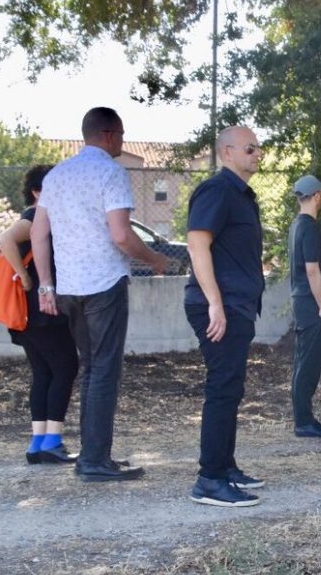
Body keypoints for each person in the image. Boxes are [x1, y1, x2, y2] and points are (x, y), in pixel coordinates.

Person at [31, 107, 169, 482]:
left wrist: (46, 284)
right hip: (105, 284)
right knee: (104, 371)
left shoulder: (57, 176)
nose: (123, 142)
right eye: (121, 135)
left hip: (68, 287)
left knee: (92, 369)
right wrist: (155, 259)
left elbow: (38, 233)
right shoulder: (111, 172)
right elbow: (121, 235)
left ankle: (93, 455)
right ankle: (94, 461)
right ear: (108, 134)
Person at [183, 126, 267, 507]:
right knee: (222, 387)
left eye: (259, 148)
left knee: (231, 388)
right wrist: (215, 302)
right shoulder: (217, 190)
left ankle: (226, 467)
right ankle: (210, 479)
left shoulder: (242, 196)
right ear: (227, 152)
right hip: (220, 306)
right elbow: (197, 243)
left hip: (237, 305)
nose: (257, 153)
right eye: (250, 148)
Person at [0, 164, 80, 465]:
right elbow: (6, 238)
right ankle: (52, 441)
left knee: (45, 372)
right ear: (37, 192)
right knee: (66, 367)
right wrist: (25, 277)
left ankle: (39, 444)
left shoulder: (43, 216)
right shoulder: (34, 216)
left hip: (30, 310)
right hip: (42, 309)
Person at [288, 174, 321, 438]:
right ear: (317, 196)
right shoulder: (309, 227)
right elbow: (311, 269)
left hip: (301, 301)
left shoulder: (296, 225)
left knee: (302, 360)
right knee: (309, 363)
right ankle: (304, 422)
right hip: (310, 303)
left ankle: (303, 418)